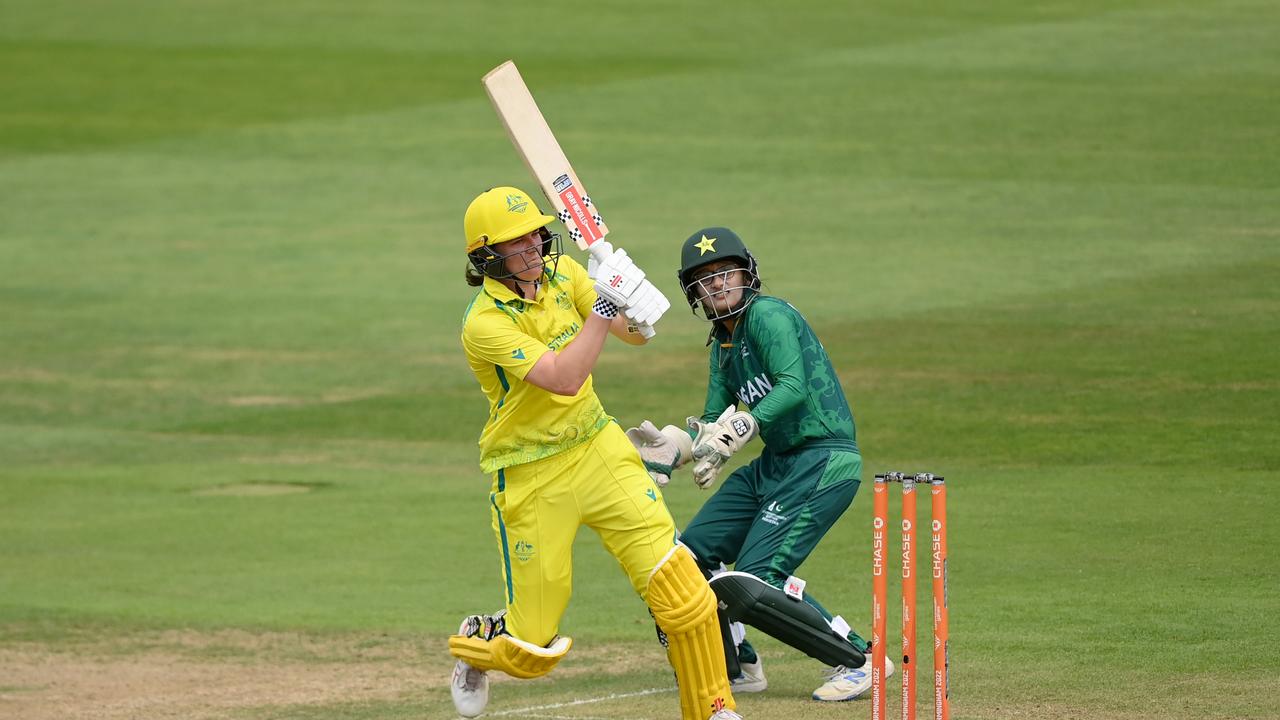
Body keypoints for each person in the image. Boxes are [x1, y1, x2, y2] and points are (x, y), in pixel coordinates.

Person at [449, 188, 743, 720]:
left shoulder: (565, 277)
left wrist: (635, 299)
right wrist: (607, 306)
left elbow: (631, 334)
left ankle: (714, 708)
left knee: (686, 595)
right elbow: (564, 378)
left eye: (538, 235)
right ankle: (480, 643)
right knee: (532, 650)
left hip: (598, 448)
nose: (536, 249)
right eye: (519, 245)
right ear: (487, 257)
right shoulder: (483, 323)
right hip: (531, 473)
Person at [626, 226, 894, 702]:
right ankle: (735, 664)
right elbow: (712, 422)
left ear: (747, 273)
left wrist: (745, 425)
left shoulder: (769, 315)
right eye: (704, 279)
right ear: (694, 293)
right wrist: (673, 449)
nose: (717, 284)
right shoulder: (723, 346)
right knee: (684, 563)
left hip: (822, 459)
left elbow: (792, 386)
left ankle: (860, 658)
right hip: (776, 464)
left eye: (725, 272)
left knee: (753, 578)